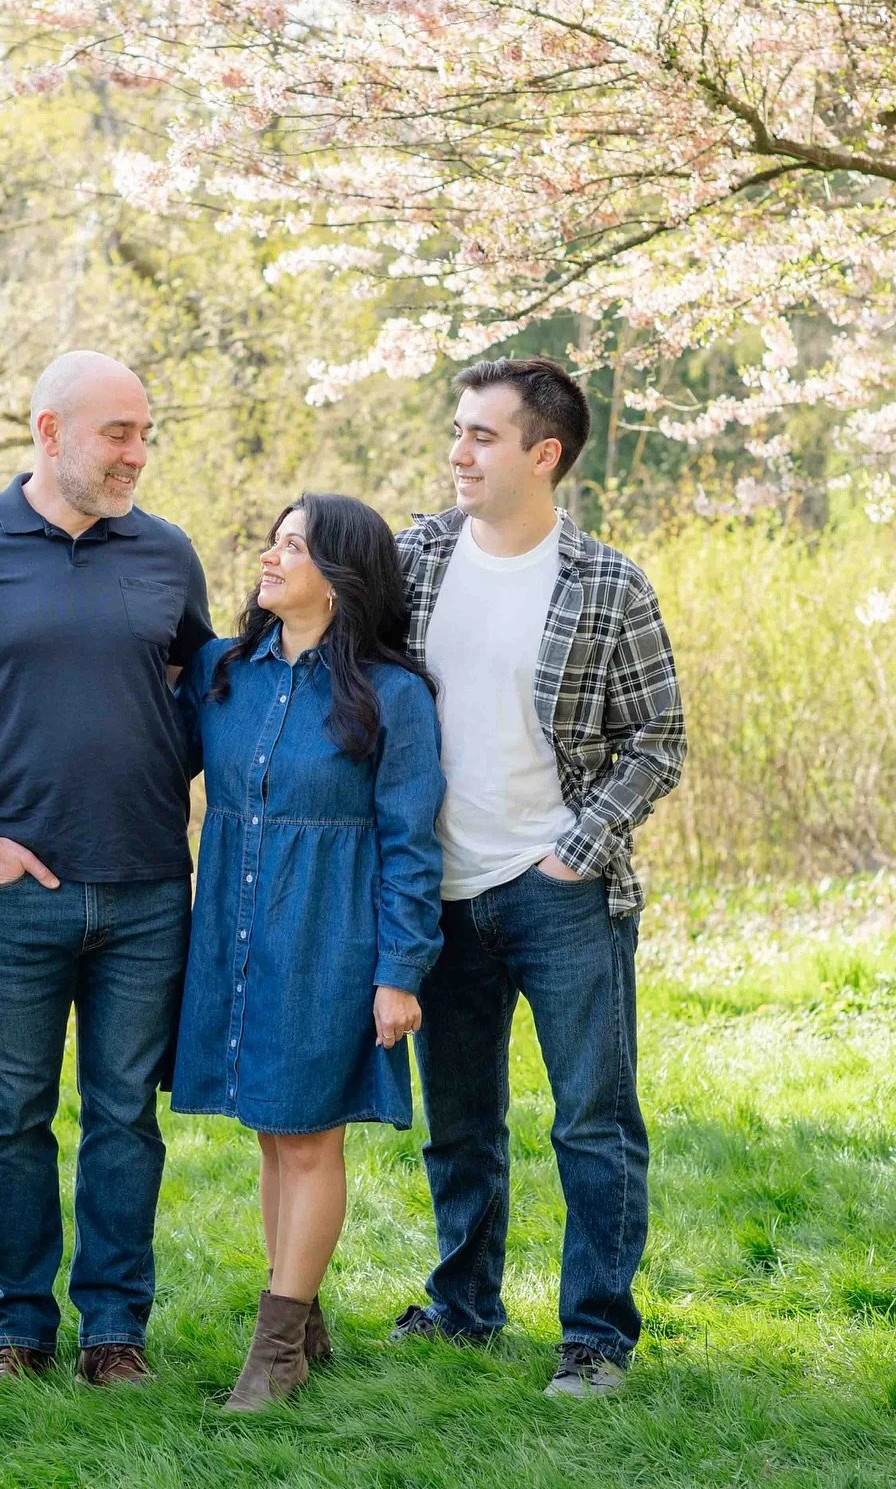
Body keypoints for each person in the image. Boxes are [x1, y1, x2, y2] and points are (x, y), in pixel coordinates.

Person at [0, 351, 214, 1388]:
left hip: (149, 889)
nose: (136, 453)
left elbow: (199, 693)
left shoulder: (167, 553)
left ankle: (115, 1330)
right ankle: (19, 1329)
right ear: (49, 431)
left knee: (126, 1115)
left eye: (143, 433)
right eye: (117, 433)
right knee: (12, 1115)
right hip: (12, 893)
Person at [392, 357, 685, 1398]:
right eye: (459, 430)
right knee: (460, 1125)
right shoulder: (415, 558)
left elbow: (659, 739)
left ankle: (596, 1339)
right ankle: (464, 1312)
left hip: (561, 893)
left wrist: (580, 845)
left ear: (542, 454)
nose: (456, 452)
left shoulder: (608, 584)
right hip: (441, 893)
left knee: (592, 1122)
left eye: (480, 435)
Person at [172, 493, 445, 1413]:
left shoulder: (393, 694)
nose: (271, 555)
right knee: (272, 1134)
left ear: (342, 573)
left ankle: (276, 1351)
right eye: (274, 538)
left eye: (296, 544)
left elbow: (411, 840)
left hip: (330, 936)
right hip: (237, 929)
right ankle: (306, 1319)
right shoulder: (224, 670)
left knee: (309, 1136)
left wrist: (399, 971)